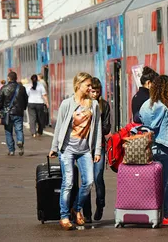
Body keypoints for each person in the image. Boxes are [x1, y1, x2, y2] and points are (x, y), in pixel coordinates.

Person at [48, 72, 102, 230]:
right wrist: (53, 148)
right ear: (79, 85)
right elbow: (59, 127)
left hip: (85, 149)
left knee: (89, 181)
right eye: (88, 85)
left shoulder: (94, 105)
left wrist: (97, 150)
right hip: (67, 149)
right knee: (68, 183)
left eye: (91, 85)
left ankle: (77, 208)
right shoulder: (67, 104)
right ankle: (64, 216)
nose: (91, 88)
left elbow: (97, 129)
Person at [139, 75, 168, 226]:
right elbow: (157, 126)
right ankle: (161, 214)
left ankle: (160, 211)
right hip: (165, 147)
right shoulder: (163, 107)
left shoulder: (145, 105)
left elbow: (145, 123)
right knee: (165, 182)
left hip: (151, 146)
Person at [83, 77, 111, 223]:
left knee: (98, 177)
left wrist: (96, 124)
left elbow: (107, 128)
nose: (95, 94)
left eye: (97, 92)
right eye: (92, 92)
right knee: (86, 180)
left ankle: (100, 205)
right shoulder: (82, 105)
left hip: (99, 147)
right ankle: (87, 212)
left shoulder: (104, 105)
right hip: (84, 148)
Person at [0, 71, 28, 156]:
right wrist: (23, 108)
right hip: (18, 112)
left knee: (8, 131)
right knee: (19, 129)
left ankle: (11, 150)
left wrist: (1, 111)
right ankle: (20, 141)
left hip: (7, 114)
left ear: (8, 78)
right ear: (16, 78)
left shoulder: (4, 88)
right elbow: (25, 99)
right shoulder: (22, 88)